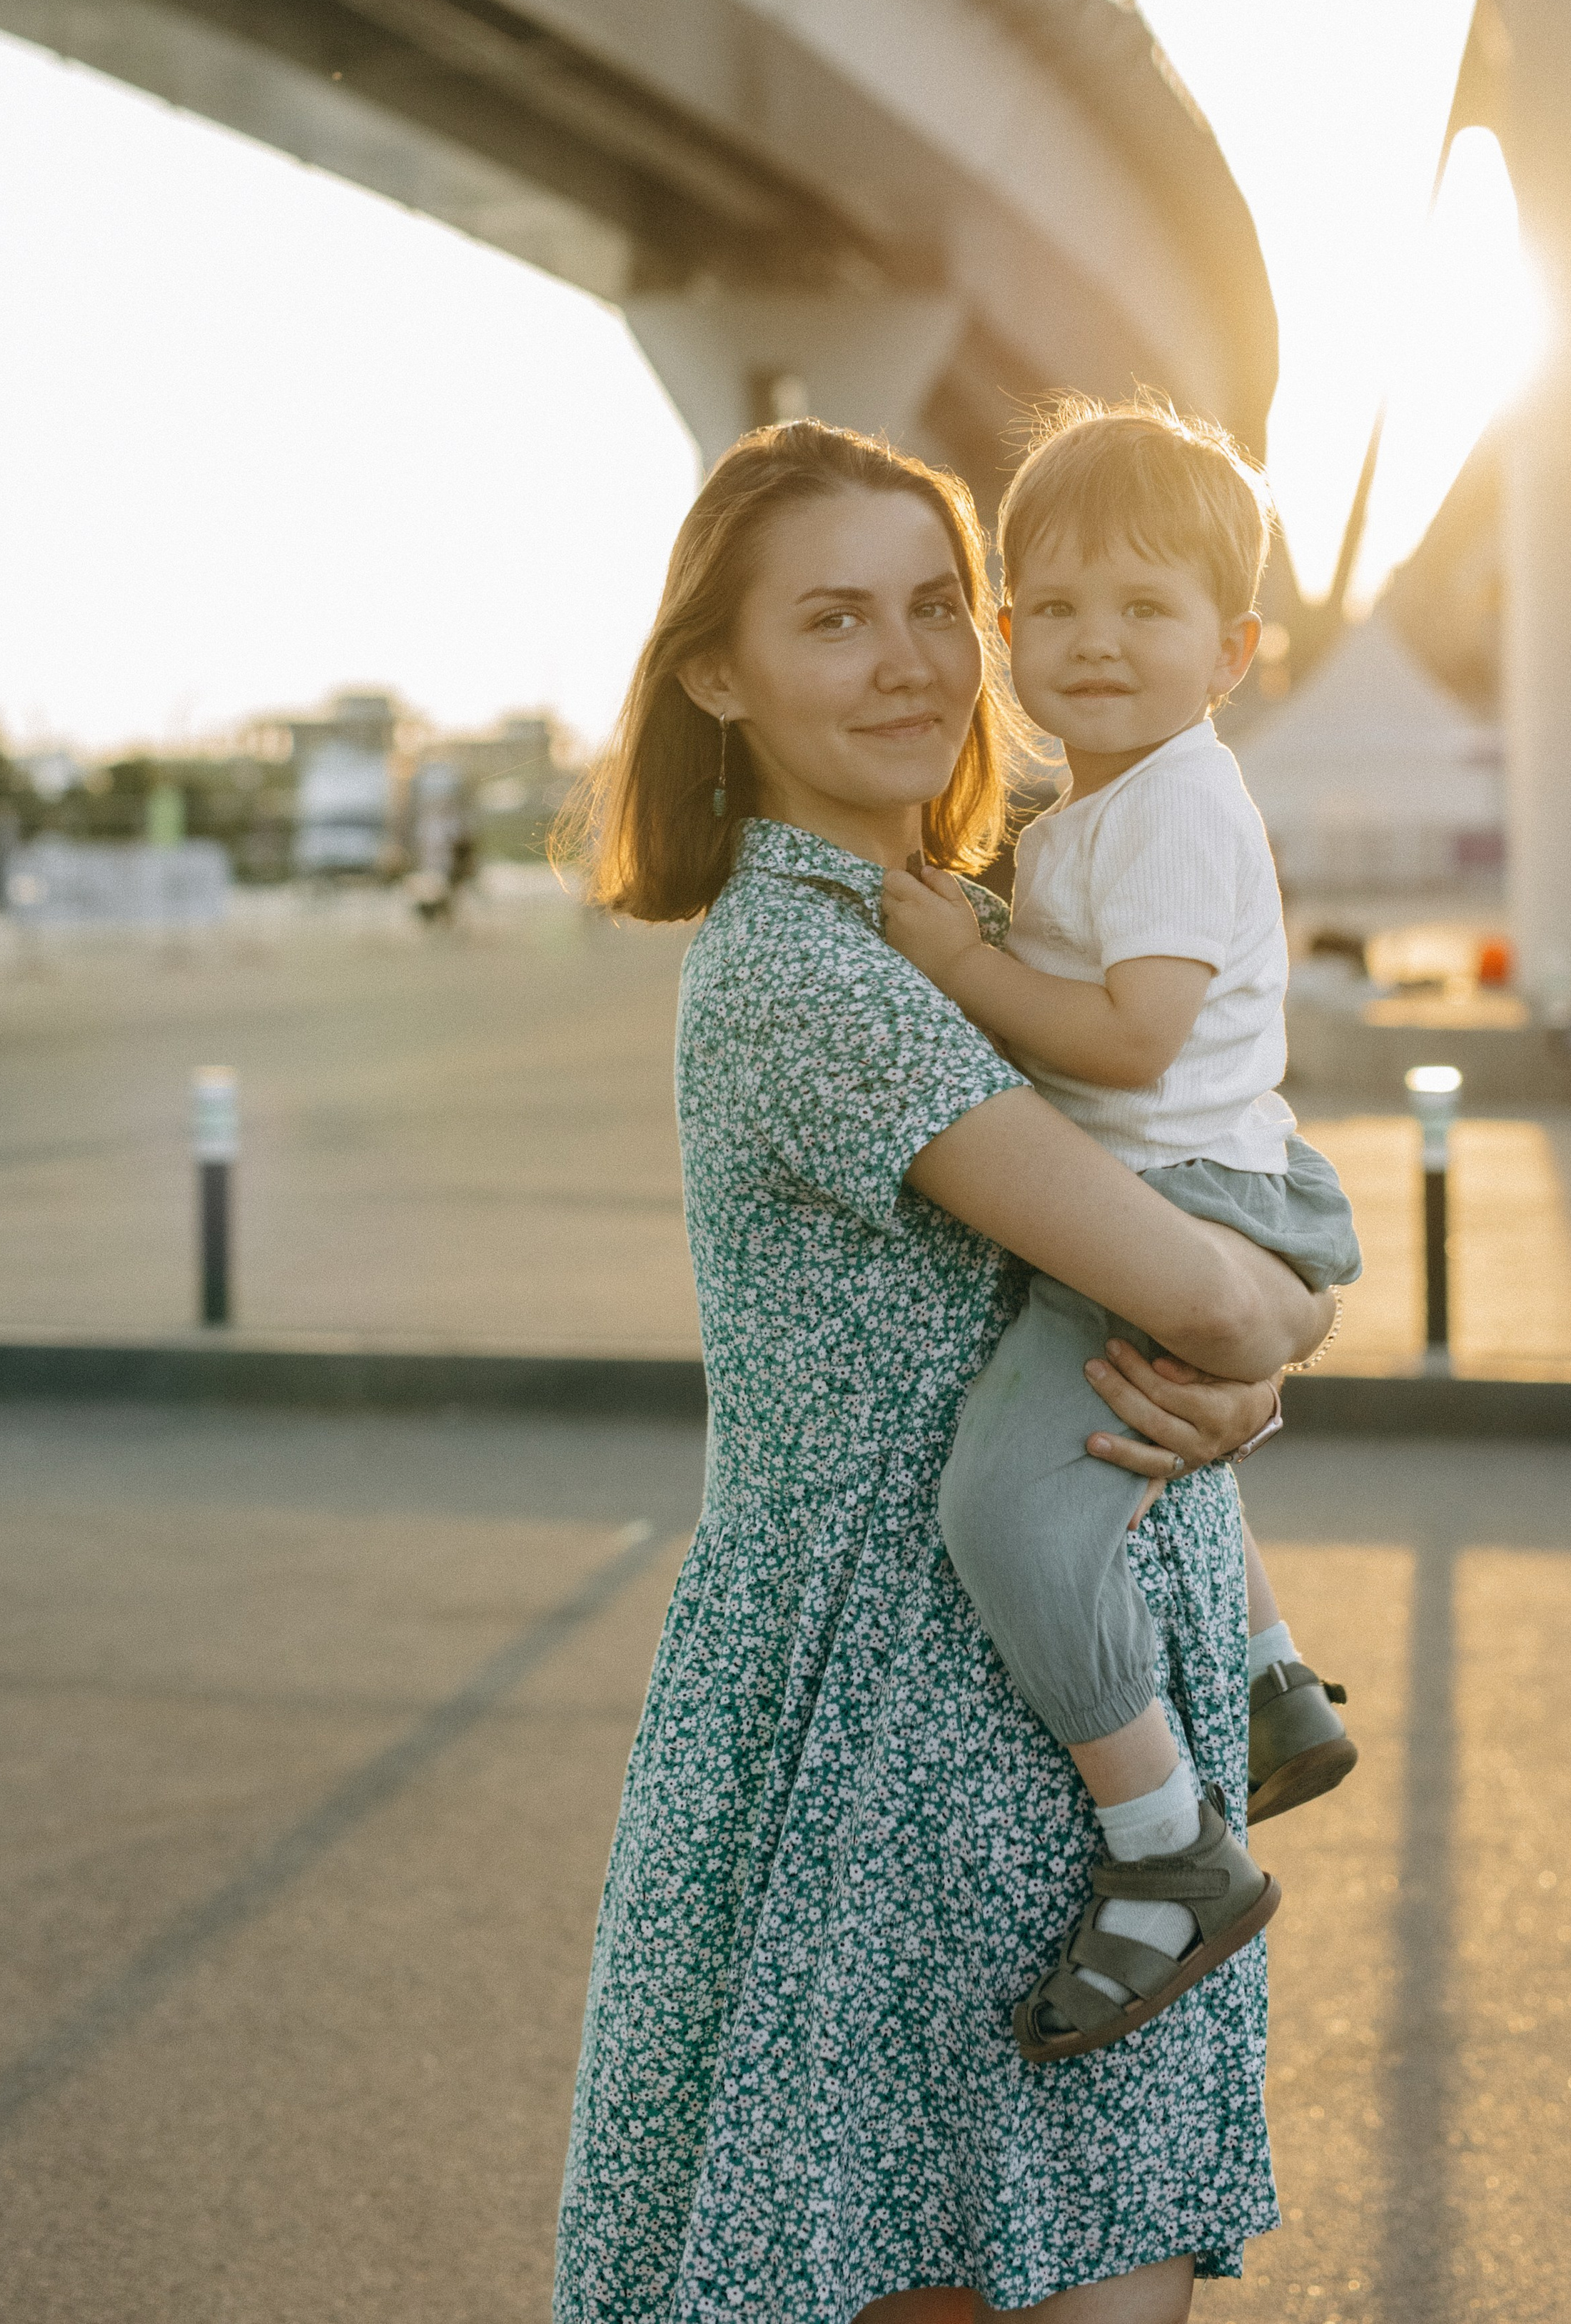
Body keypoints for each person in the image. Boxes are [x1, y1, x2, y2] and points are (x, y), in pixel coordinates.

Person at [551, 421, 1335, 2324]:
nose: (911, 661)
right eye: (836, 620)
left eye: (931, 608)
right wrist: (1263, 1354)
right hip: (892, 1730)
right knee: (933, 2271)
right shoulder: (817, 974)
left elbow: (1207, 1231)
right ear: (720, 675)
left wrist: (1255, 1364)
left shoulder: (990, 908)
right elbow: (1216, 1300)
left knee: (1084, 2266)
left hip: (1065, 1697)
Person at [881, 399, 1360, 2066]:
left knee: (1007, 1516)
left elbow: (1128, 1040)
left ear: (1228, 650)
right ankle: (1260, 1673)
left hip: (1179, 1191)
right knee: (1142, 1427)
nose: (1096, 644)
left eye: (1143, 611)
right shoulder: (1107, 800)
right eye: (1059, 610)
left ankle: (1168, 1848)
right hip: (1204, 1178)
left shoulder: (1166, 807)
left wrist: (958, 964)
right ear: (1006, 636)